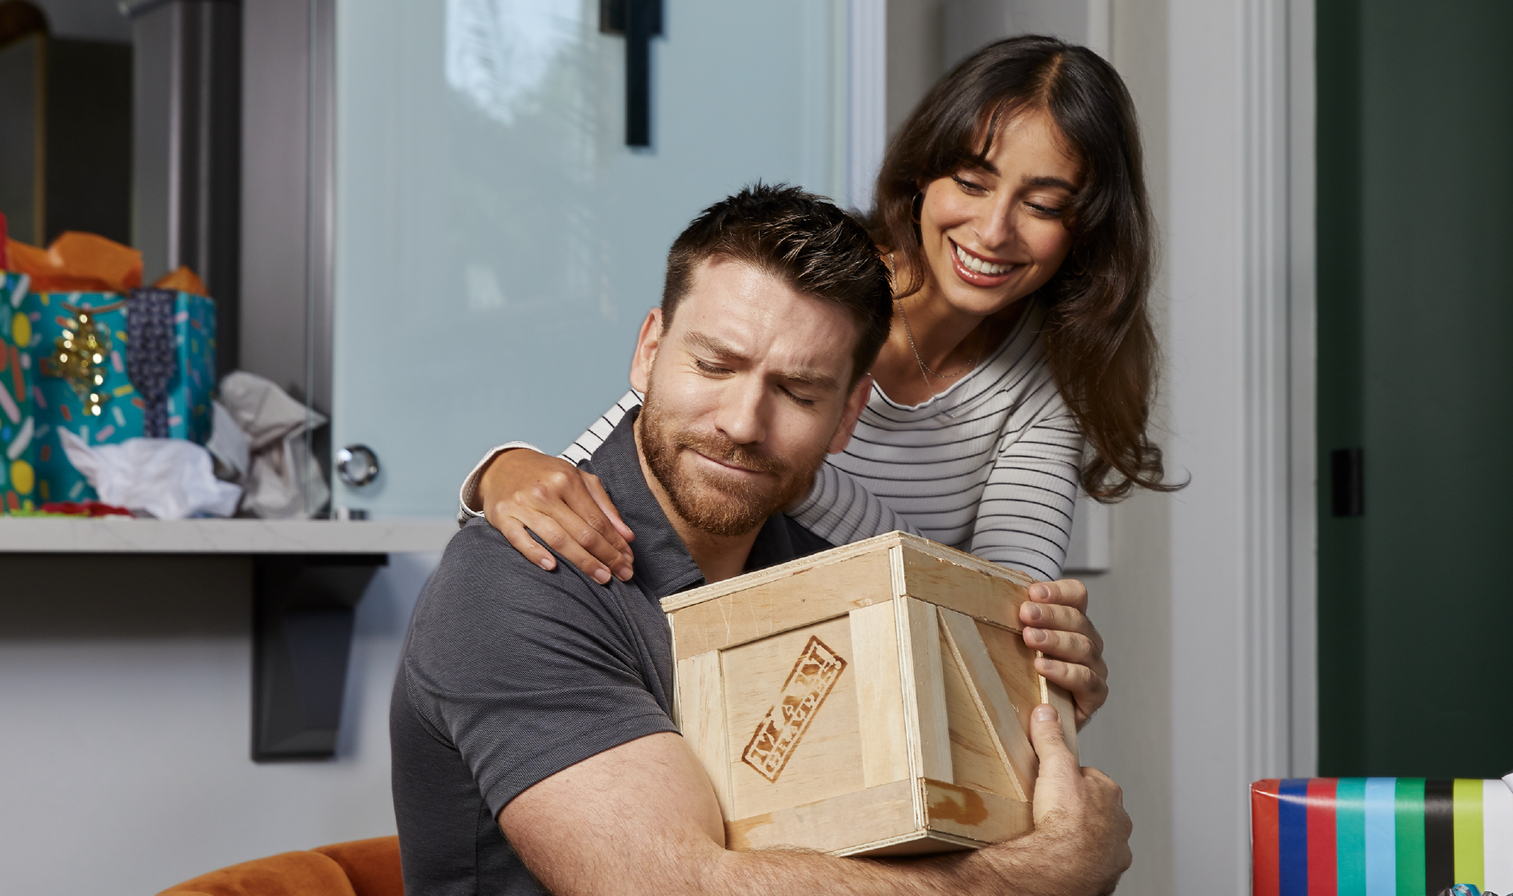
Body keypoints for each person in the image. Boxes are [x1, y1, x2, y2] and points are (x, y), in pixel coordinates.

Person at [392, 185, 1131, 896]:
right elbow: (676, 888)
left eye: (799, 392)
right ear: (649, 352)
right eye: (714, 365)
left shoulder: (830, 579)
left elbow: (966, 812)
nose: (743, 422)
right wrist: (1038, 877)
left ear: (847, 416)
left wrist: (1039, 691)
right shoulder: (515, 582)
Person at [458, 35, 1156, 730]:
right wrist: (500, 473)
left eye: (1042, 205)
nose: (994, 229)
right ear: (923, 178)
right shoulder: (819, 297)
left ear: (1085, 228)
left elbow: (1002, 631)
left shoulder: (1049, 381)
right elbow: (633, 460)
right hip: (693, 672)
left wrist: (793, 476)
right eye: (972, 183)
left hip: (860, 703)